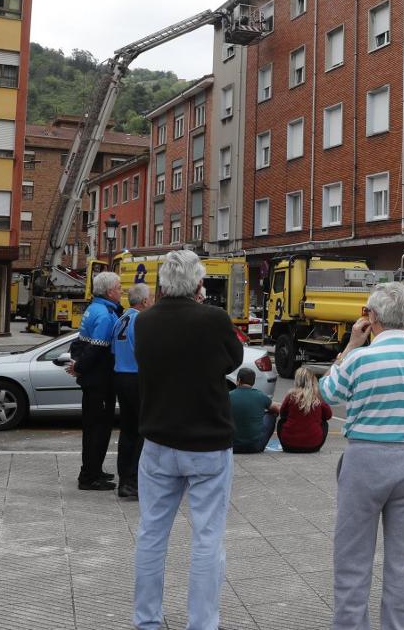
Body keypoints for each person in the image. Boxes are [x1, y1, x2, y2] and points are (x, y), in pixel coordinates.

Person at [320, 282, 404, 630]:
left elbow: (328, 394)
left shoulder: (360, 359)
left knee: (352, 558)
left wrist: (351, 345)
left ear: (370, 317)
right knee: (403, 561)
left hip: (365, 459)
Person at [132, 250, 242, 630]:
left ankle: (147, 620)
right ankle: (202, 623)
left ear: (161, 284)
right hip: (208, 441)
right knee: (208, 538)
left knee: (151, 533)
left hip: (159, 440)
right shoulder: (214, 319)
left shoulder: (144, 322)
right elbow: (233, 359)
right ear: (199, 284)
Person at [67, 271, 123, 491]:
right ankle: (89, 476)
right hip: (100, 380)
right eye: (119, 287)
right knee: (99, 429)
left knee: (94, 428)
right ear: (110, 292)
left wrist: (79, 367)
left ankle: (93, 469)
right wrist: (80, 367)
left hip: (93, 380)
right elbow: (97, 350)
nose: (121, 291)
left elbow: (82, 343)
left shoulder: (93, 308)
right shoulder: (106, 315)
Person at [112, 282, 151, 500]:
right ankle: (134, 480)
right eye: (151, 298)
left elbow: (113, 349)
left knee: (127, 431)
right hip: (137, 378)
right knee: (141, 431)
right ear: (144, 301)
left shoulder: (121, 320)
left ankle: (124, 479)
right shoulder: (142, 320)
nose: (153, 301)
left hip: (120, 376)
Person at [277, 366, 333, 453]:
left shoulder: (291, 396)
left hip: (289, 445)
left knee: (281, 421)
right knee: (324, 424)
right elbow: (328, 415)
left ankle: (288, 440)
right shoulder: (317, 397)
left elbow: (282, 413)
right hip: (313, 445)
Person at [229, 368, 279, 454]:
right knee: (271, 415)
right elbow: (277, 409)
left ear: (239, 380)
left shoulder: (229, 396)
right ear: (253, 382)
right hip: (256, 446)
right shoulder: (260, 395)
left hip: (233, 446)